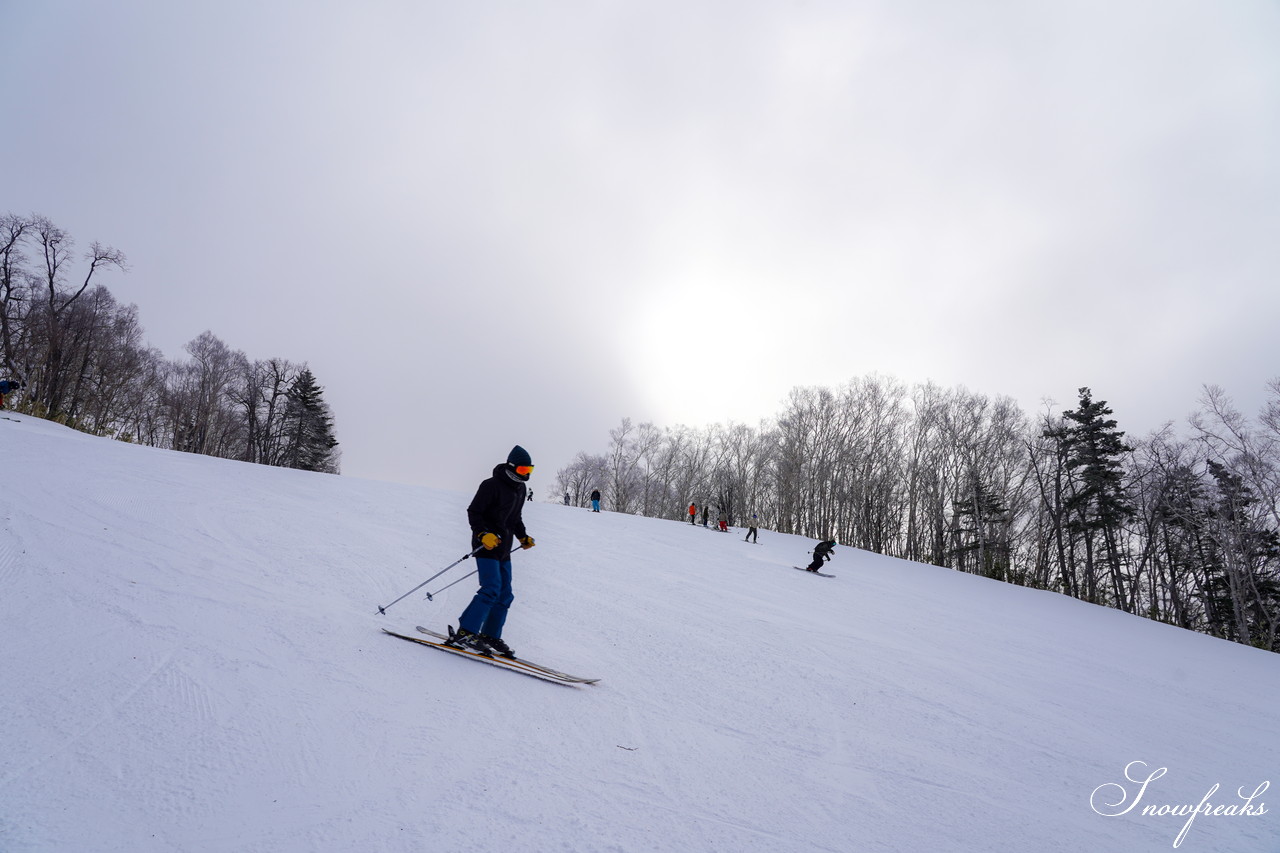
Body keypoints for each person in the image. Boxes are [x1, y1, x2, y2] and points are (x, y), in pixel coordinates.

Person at [447, 445, 536, 658]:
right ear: (511, 466)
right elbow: (474, 512)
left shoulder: (520, 489)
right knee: (491, 589)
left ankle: (489, 635)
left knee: (506, 594)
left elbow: (515, 518)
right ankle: (465, 632)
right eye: (523, 471)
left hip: (504, 549)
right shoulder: (491, 485)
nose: (526, 475)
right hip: (486, 545)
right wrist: (482, 534)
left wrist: (522, 536)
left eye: (529, 471)